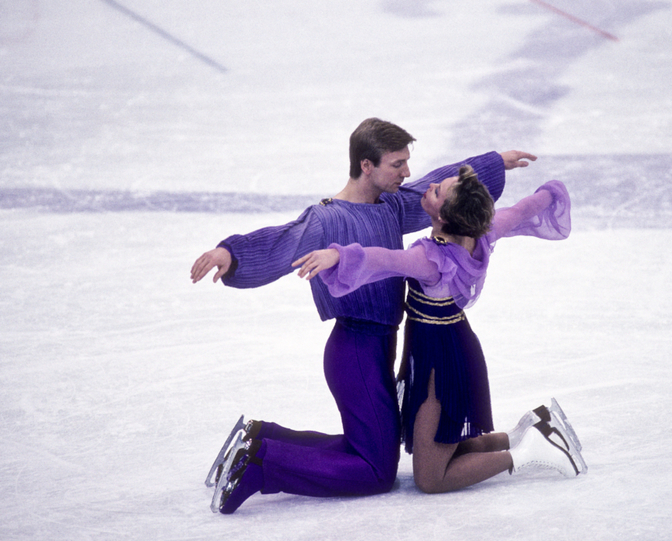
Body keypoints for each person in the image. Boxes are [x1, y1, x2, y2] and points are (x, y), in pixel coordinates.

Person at [190, 117, 537, 513]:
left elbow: (438, 189)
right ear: (366, 165)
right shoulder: (327, 219)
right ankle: (261, 464)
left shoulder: (389, 205)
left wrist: (492, 164)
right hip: (354, 349)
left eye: (407, 162)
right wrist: (231, 254)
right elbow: (281, 240)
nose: (406, 173)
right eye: (397, 164)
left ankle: (261, 437)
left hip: (379, 347)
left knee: (371, 447)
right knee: (375, 470)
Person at [293, 164, 586, 494]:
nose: (429, 186)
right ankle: (523, 433)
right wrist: (549, 193)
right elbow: (521, 211)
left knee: (431, 479)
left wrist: (337, 256)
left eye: (436, 191)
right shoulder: (484, 231)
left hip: (440, 361)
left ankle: (529, 452)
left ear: (445, 215)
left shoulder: (431, 259)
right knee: (438, 446)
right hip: (455, 344)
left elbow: (384, 260)